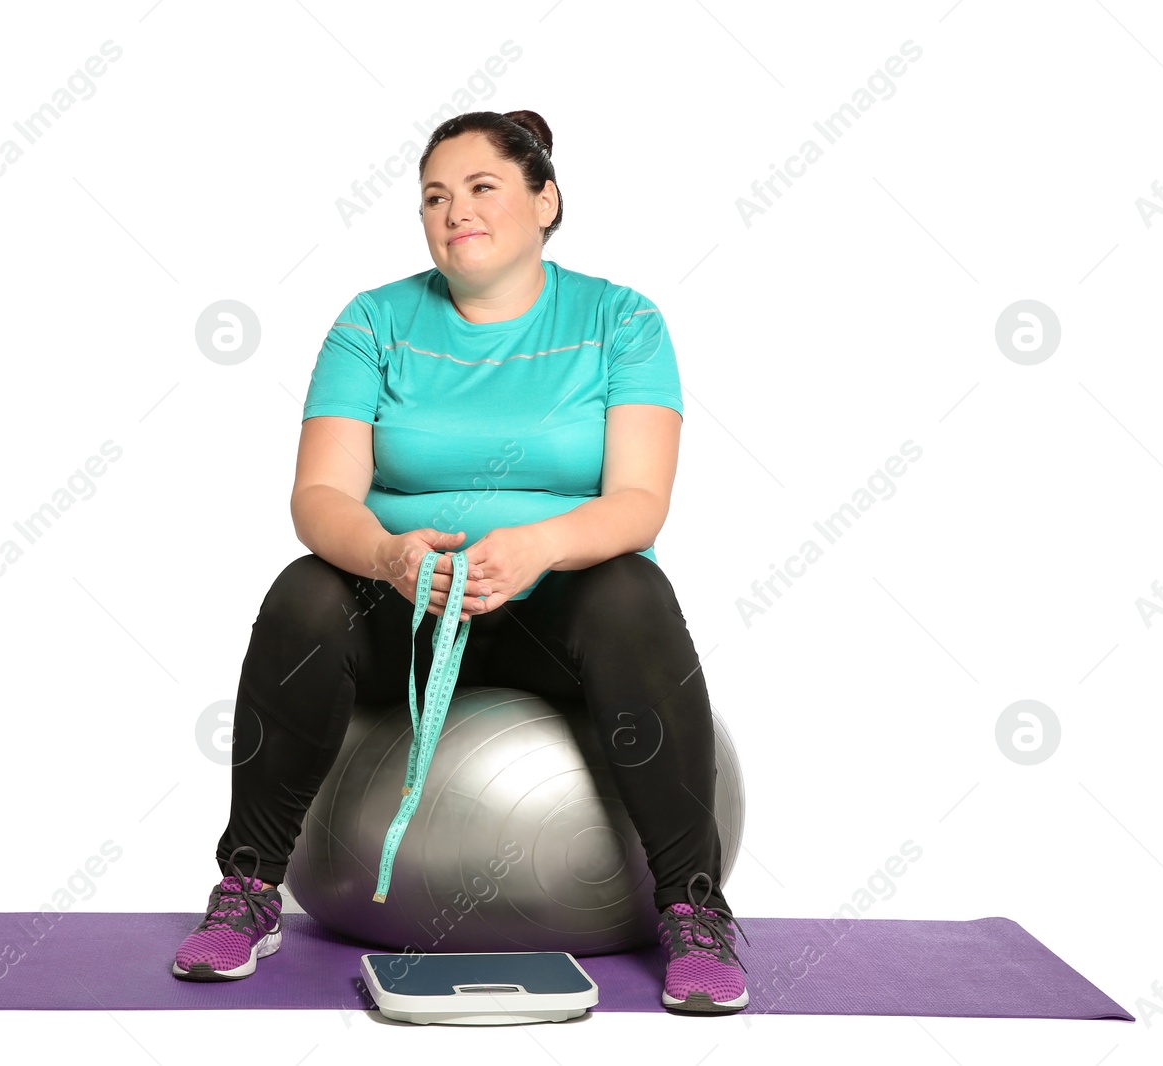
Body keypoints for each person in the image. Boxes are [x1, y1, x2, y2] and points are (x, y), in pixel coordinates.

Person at [171, 110, 749, 1014]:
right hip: (406, 607)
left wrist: (541, 545)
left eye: (482, 189)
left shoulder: (621, 320)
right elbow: (319, 498)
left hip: (558, 617)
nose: (455, 212)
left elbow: (639, 503)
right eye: (435, 197)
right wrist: (388, 554)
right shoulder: (374, 321)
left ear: (545, 200)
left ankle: (693, 909)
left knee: (632, 588)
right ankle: (248, 890)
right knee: (305, 595)